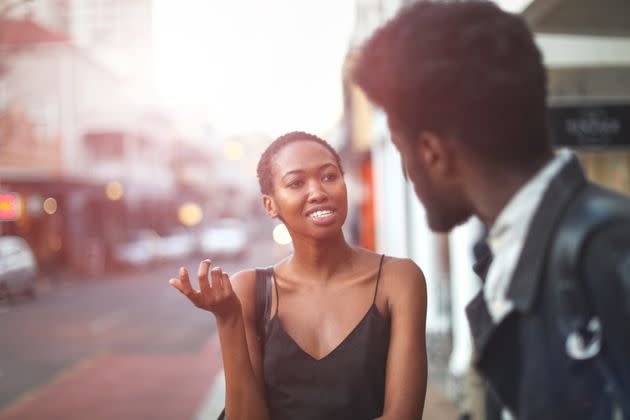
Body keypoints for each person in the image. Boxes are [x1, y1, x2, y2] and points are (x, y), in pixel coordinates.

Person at [351, 1, 630, 419]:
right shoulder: (508, 253)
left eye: (401, 148)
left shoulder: (608, 252)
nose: (408, 174)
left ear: (432, 153)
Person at [169, 131, 428, 419]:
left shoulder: (399, 280)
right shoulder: (250, 290)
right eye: (296, 183)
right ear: (270, 204)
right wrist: (228, 320)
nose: (318, 192)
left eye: (329, 177)